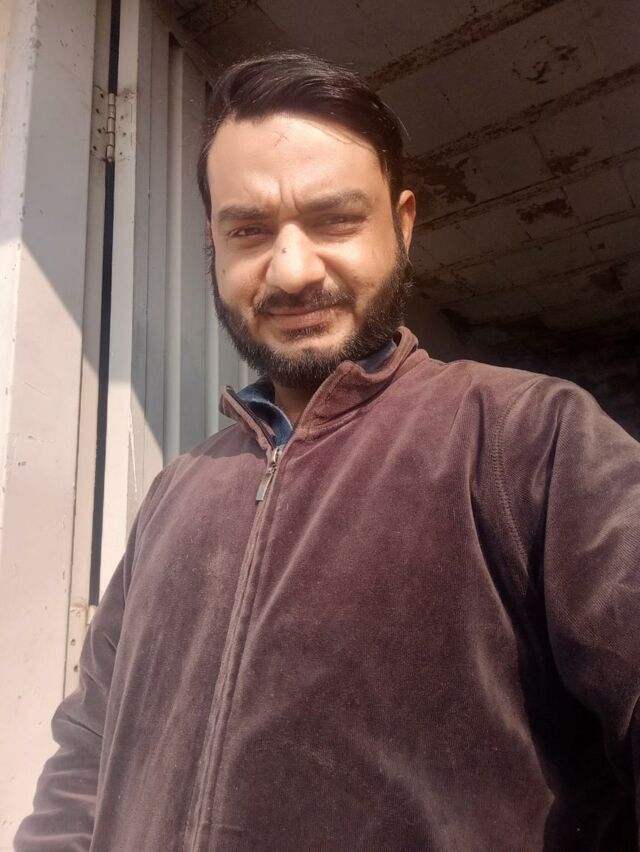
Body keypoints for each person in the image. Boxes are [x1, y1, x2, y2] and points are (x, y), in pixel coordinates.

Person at [15, 51, 640, 852]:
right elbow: (87, 758)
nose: (292, 270)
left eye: (335, 219)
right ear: (213, 243)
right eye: (249, 230)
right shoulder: (175, 493)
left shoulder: (529, 437)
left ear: (403, 225)